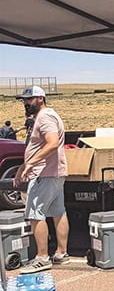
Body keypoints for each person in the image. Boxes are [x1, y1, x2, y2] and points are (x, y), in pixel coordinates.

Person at [13, 86, 70, 273]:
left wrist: (31, 164)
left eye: (29, 100)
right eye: (24, 100)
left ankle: (42, 257)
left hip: (44, 174)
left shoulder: (45, 117)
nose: (25, 103)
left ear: (40, 99)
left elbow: (52, 143)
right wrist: (23, 166)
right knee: (58, 212)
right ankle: (61, 254)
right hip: (53, 173)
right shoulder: (46, 116)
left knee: (35, 214)